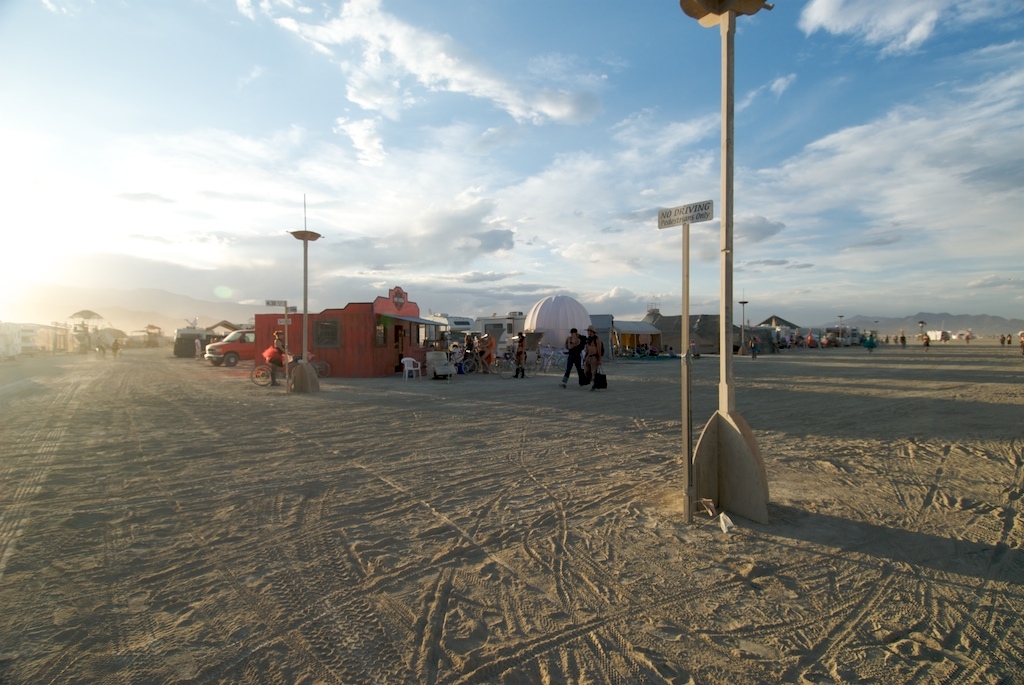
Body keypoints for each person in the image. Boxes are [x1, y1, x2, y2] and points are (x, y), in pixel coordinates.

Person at [584, 326, 603, 391]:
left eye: (588, 330)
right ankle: (590, 381)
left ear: (592, 331)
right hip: (588, 356)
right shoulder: (588, 339)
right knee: (586, 371)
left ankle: (594, 385)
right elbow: (587, 349)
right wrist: (585, 357)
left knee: (593, 372)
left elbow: (599, 350)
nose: (587, 332)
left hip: (594, 357)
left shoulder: (596, 340)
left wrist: (599, 360)